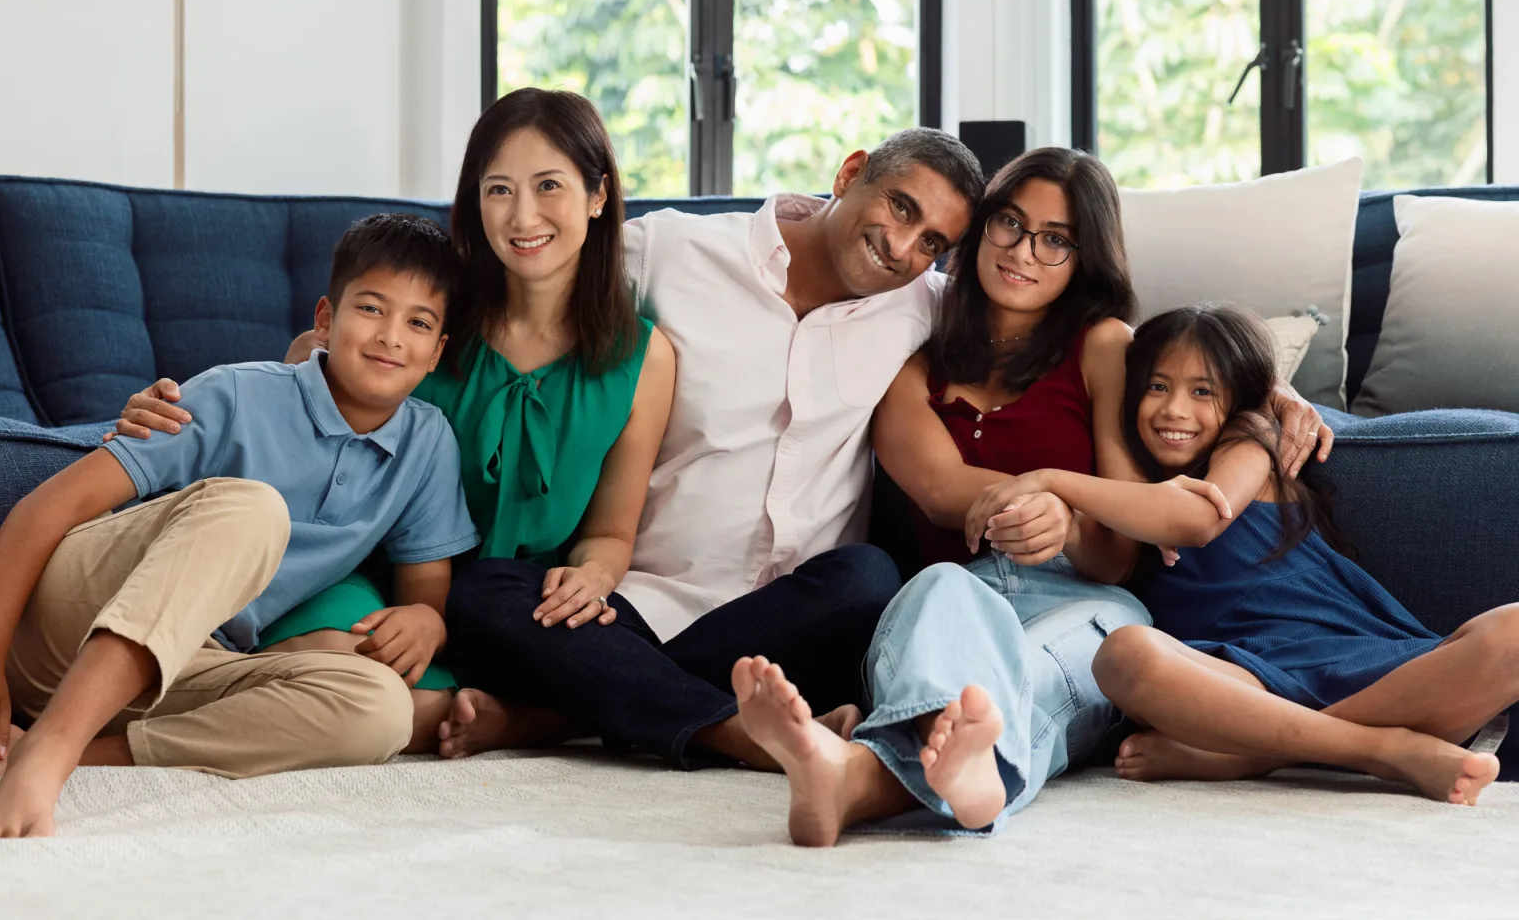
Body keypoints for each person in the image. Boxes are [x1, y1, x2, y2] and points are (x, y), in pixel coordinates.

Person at [729, 149, 1334, 846]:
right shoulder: (911, 364)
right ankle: (960, 775)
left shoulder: (1103, 346)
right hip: (965, 585)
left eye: (1055, 240)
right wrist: (1033, 499)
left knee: (1050, 660)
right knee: (933, 595)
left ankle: (866, 773)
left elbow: (1113, 555)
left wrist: (1073, 520)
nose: (1023, 252)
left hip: (1087, 600)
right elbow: (937, 488)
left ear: (1084, 258)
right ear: (980, 228)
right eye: (1009, 225)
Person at [108, 88, 677, 757]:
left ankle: (534, 716)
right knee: (379, 693)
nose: (523, 215)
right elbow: (299, 379)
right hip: (376, 580)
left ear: (598, 195)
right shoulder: (432, 320)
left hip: (517, 606)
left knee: (560, 659)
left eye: (549, 185)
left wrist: (592, 577)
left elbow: (611, 531)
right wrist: (170, 411)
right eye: (498, 190)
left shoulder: (643, 359)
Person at [436, 126, 987, 768]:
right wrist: (335, 351)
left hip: (802, 625)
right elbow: (520, 277)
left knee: (869, 577)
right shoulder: (670, 250)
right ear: (850, 173)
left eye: (932, 244)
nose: (901, 247)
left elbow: (1038, 319)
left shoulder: (923, 305)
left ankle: (558, 714)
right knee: (485, 591)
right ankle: (735, 731)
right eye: (899, 205)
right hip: (640, 605)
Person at [0, 214, 481, 838]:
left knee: (379, 710)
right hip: (74, 621)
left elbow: (424, 591)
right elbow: (46, 508)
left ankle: (53, 756)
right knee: (255, 509)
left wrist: (427, 618)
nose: (391, 337)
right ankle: (48, 751)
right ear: (325, 320)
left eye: (418, 323)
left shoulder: (428, 442)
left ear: (438, 353)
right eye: (372, 308)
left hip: (185, 668)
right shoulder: (235, 394)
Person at [969, 302, 1511, 804]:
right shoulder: (1127, 494)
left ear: (1238, 398)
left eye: (1203, 391)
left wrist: (1048, 479)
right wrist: (1061, 519)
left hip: (1363, 662)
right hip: (1237, 683)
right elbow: (1107, 560)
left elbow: (1199, 519)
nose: (1175, 410)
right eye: (1157, 387)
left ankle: (1253, 756)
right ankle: (1382, 750)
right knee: (1123, 653)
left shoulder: (1249, 439)